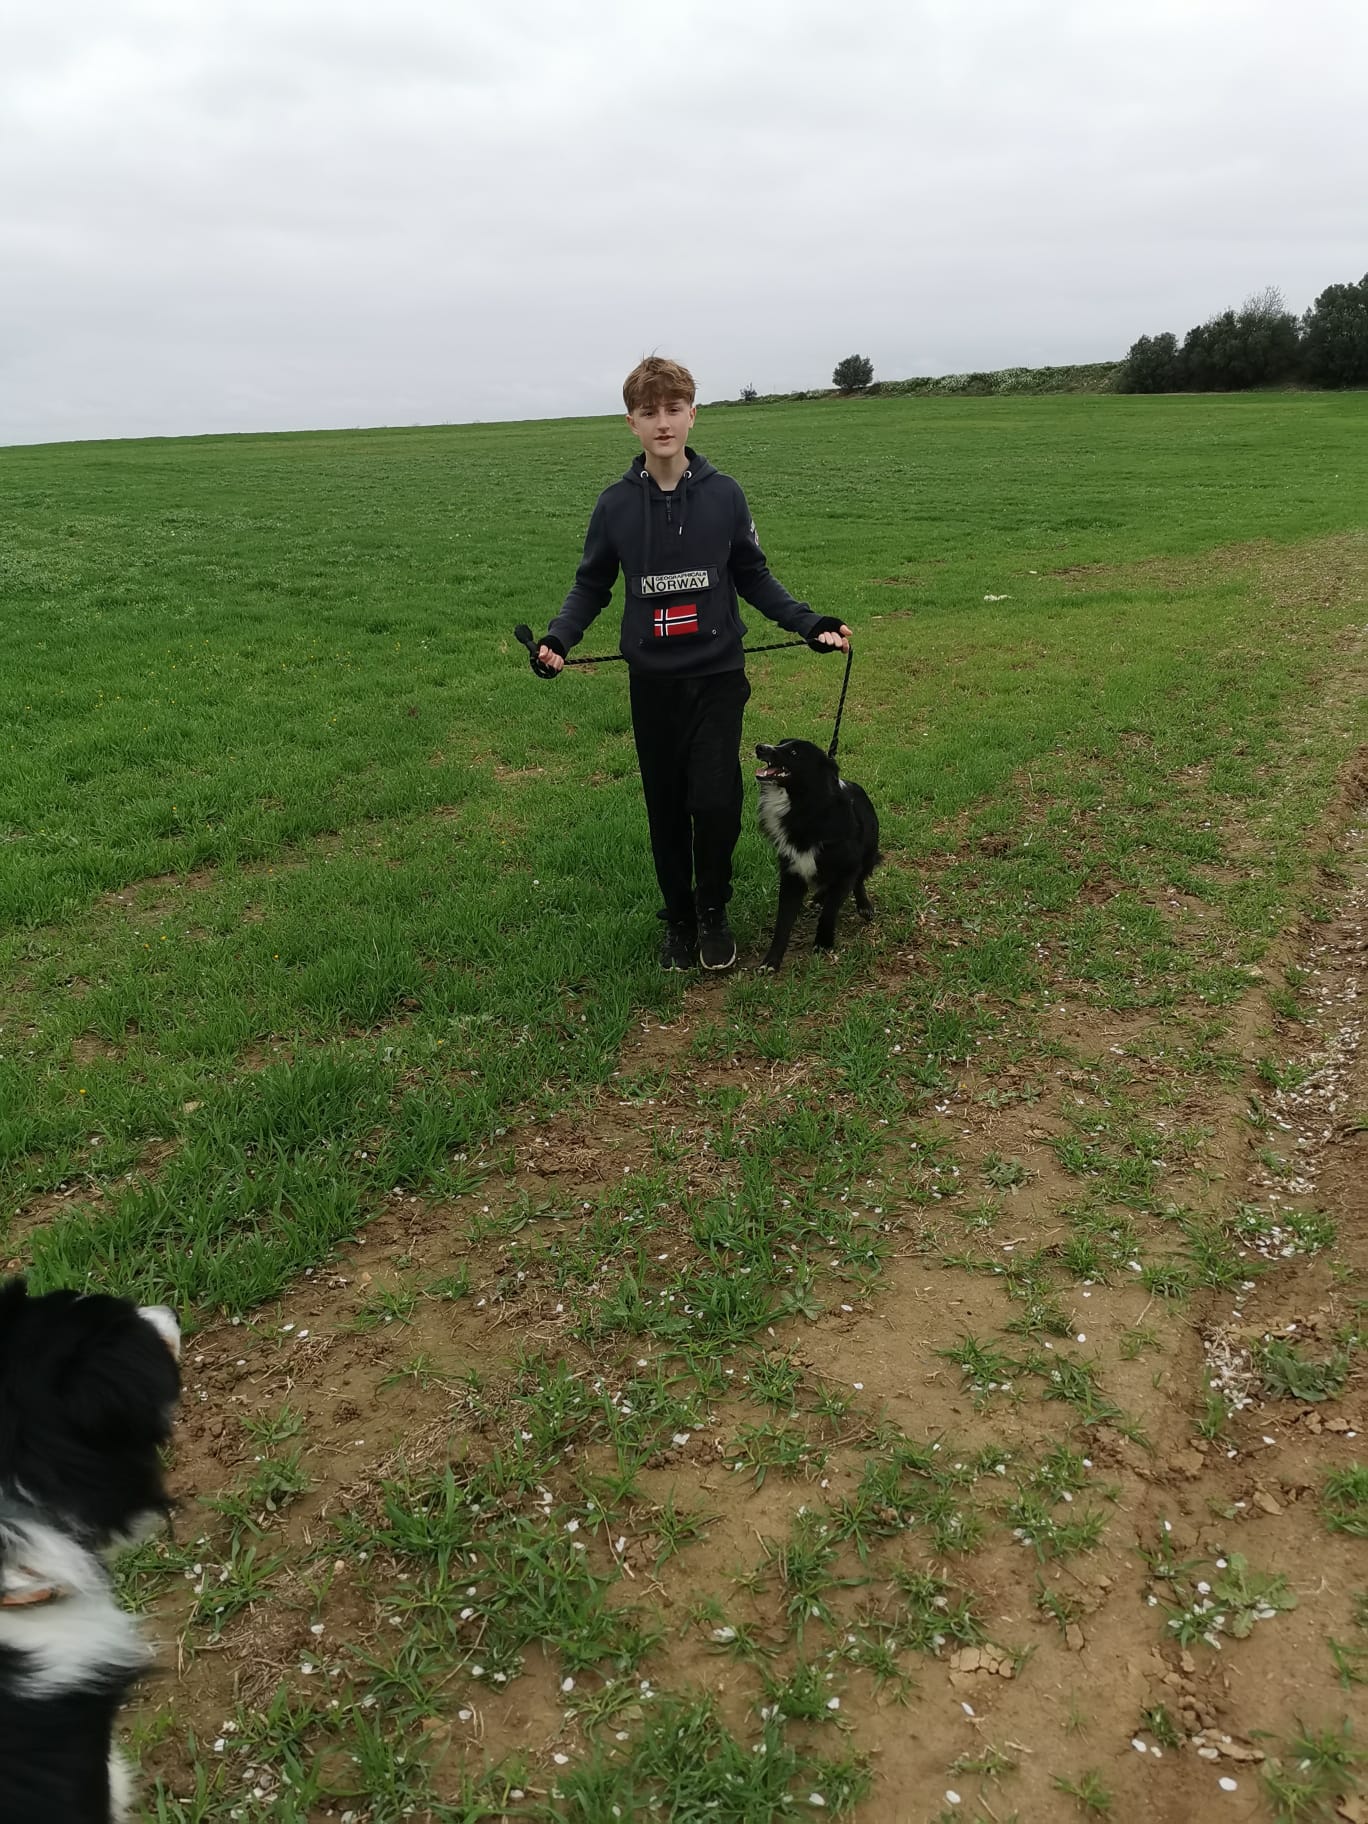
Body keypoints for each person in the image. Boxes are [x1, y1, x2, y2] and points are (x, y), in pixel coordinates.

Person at [531, 356, 850, 972]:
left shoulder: (724, 495)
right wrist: (560, 639)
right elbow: (591, 584)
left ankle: (712, 909)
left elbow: (753, 575)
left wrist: (808, 623)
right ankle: (678, 918)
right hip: (654, 685)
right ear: (631, 423)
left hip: (717, 678)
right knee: (668, 806)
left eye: (673, 409)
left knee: (715, 799)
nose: (663, 422)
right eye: (649, 412)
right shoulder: (615, 505)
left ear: (692, 415)